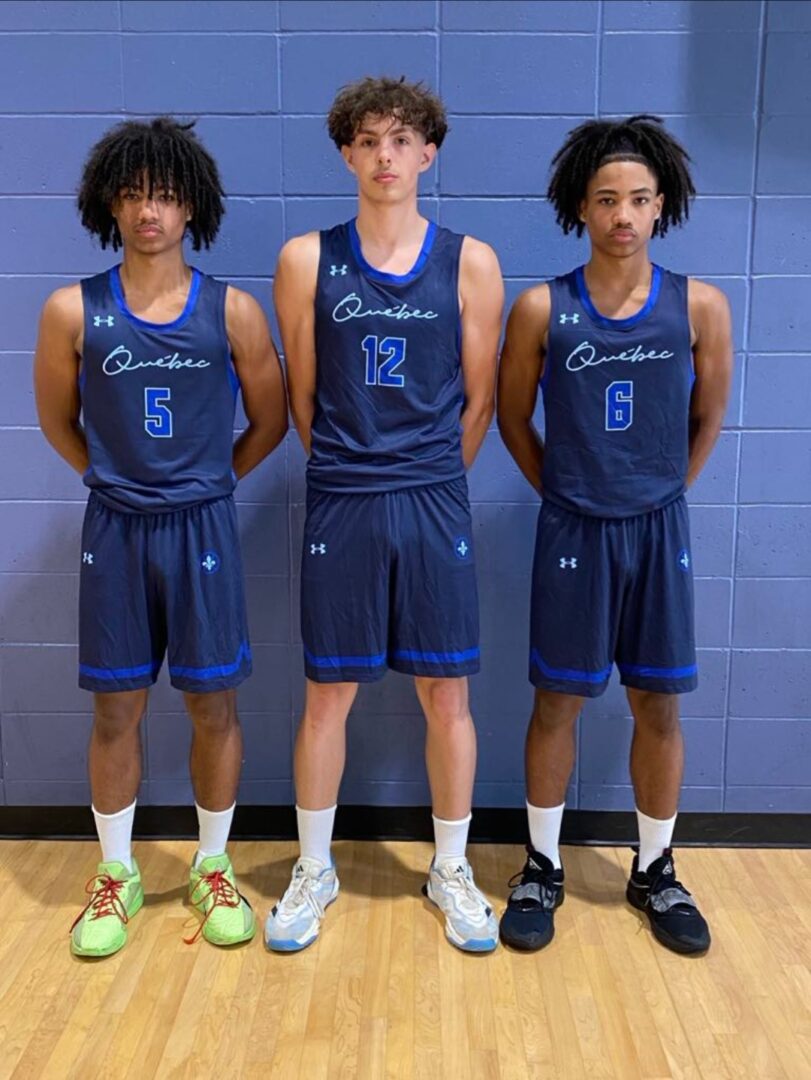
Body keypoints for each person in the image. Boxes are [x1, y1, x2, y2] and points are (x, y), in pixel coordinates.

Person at [33, 117, 288, 956]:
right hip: (116, 526)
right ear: (110, 203)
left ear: (192, 208)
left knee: (212, 702)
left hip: (203, 525)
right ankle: (116, 875)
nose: (150, 210)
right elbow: (57, 422)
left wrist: (209, 485)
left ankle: (212, 866)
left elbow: (270, 419)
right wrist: (114, 479)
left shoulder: (234, 310)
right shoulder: (73, 309)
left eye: (166, 194)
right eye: (135, 193)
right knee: (117, 707)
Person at [265, 76, 504, 953]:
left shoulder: (470, 261)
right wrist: (351, 468)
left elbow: (478, 404)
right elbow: (302, 396)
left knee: (448, 691)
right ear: (345, 154)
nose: (384, 157)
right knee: (326, 692)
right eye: (367, 141)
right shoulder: (305, 259)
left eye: (401, 141)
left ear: (428, 152)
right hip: (343, 493)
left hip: (434, 494)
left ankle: (449, 870)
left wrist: (430, 474)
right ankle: (314, 868)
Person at [496, 115, 732, 955]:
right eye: (606, 200)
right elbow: (509, 416)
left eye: (637, 198)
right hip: (573, 527)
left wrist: (666, 491)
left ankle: (656, 868)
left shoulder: (698, 304)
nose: (622, 214)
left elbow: (708, 415)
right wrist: (564, 489)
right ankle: (540, 866)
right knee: (556, 699)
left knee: (656, 701)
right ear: (580, 208)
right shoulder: (539, 308)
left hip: (655, 527)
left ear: (660, 205)